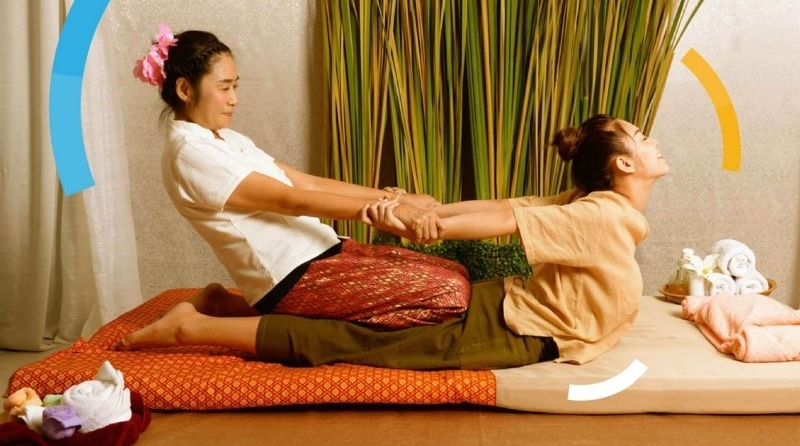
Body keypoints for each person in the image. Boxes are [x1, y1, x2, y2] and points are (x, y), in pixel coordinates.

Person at [118, 112, 669, 371]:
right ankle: (195, 326)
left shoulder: (597, 209)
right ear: (622, 164)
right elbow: (504, 217)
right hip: (526, 326)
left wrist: (419, 213)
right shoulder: (602, 214)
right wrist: (422, 217)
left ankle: (221, 305)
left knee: (412, 300)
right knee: (361, 343)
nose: (653, 143)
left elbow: (505, 212)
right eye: (642, 139)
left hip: (511, 307)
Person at [129, 24, 470, 331]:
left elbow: (306, 183)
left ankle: (223, 304)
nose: (234, 99)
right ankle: (238, 316)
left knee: (456, 273)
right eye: (224, 88)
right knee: (450, 294)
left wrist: (397, 199)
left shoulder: (224, 137)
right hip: (294, 280)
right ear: (185, 89)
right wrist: (394, 212)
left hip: (325, 251)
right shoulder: (190, 153)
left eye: (235, 86)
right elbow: (291, 201)